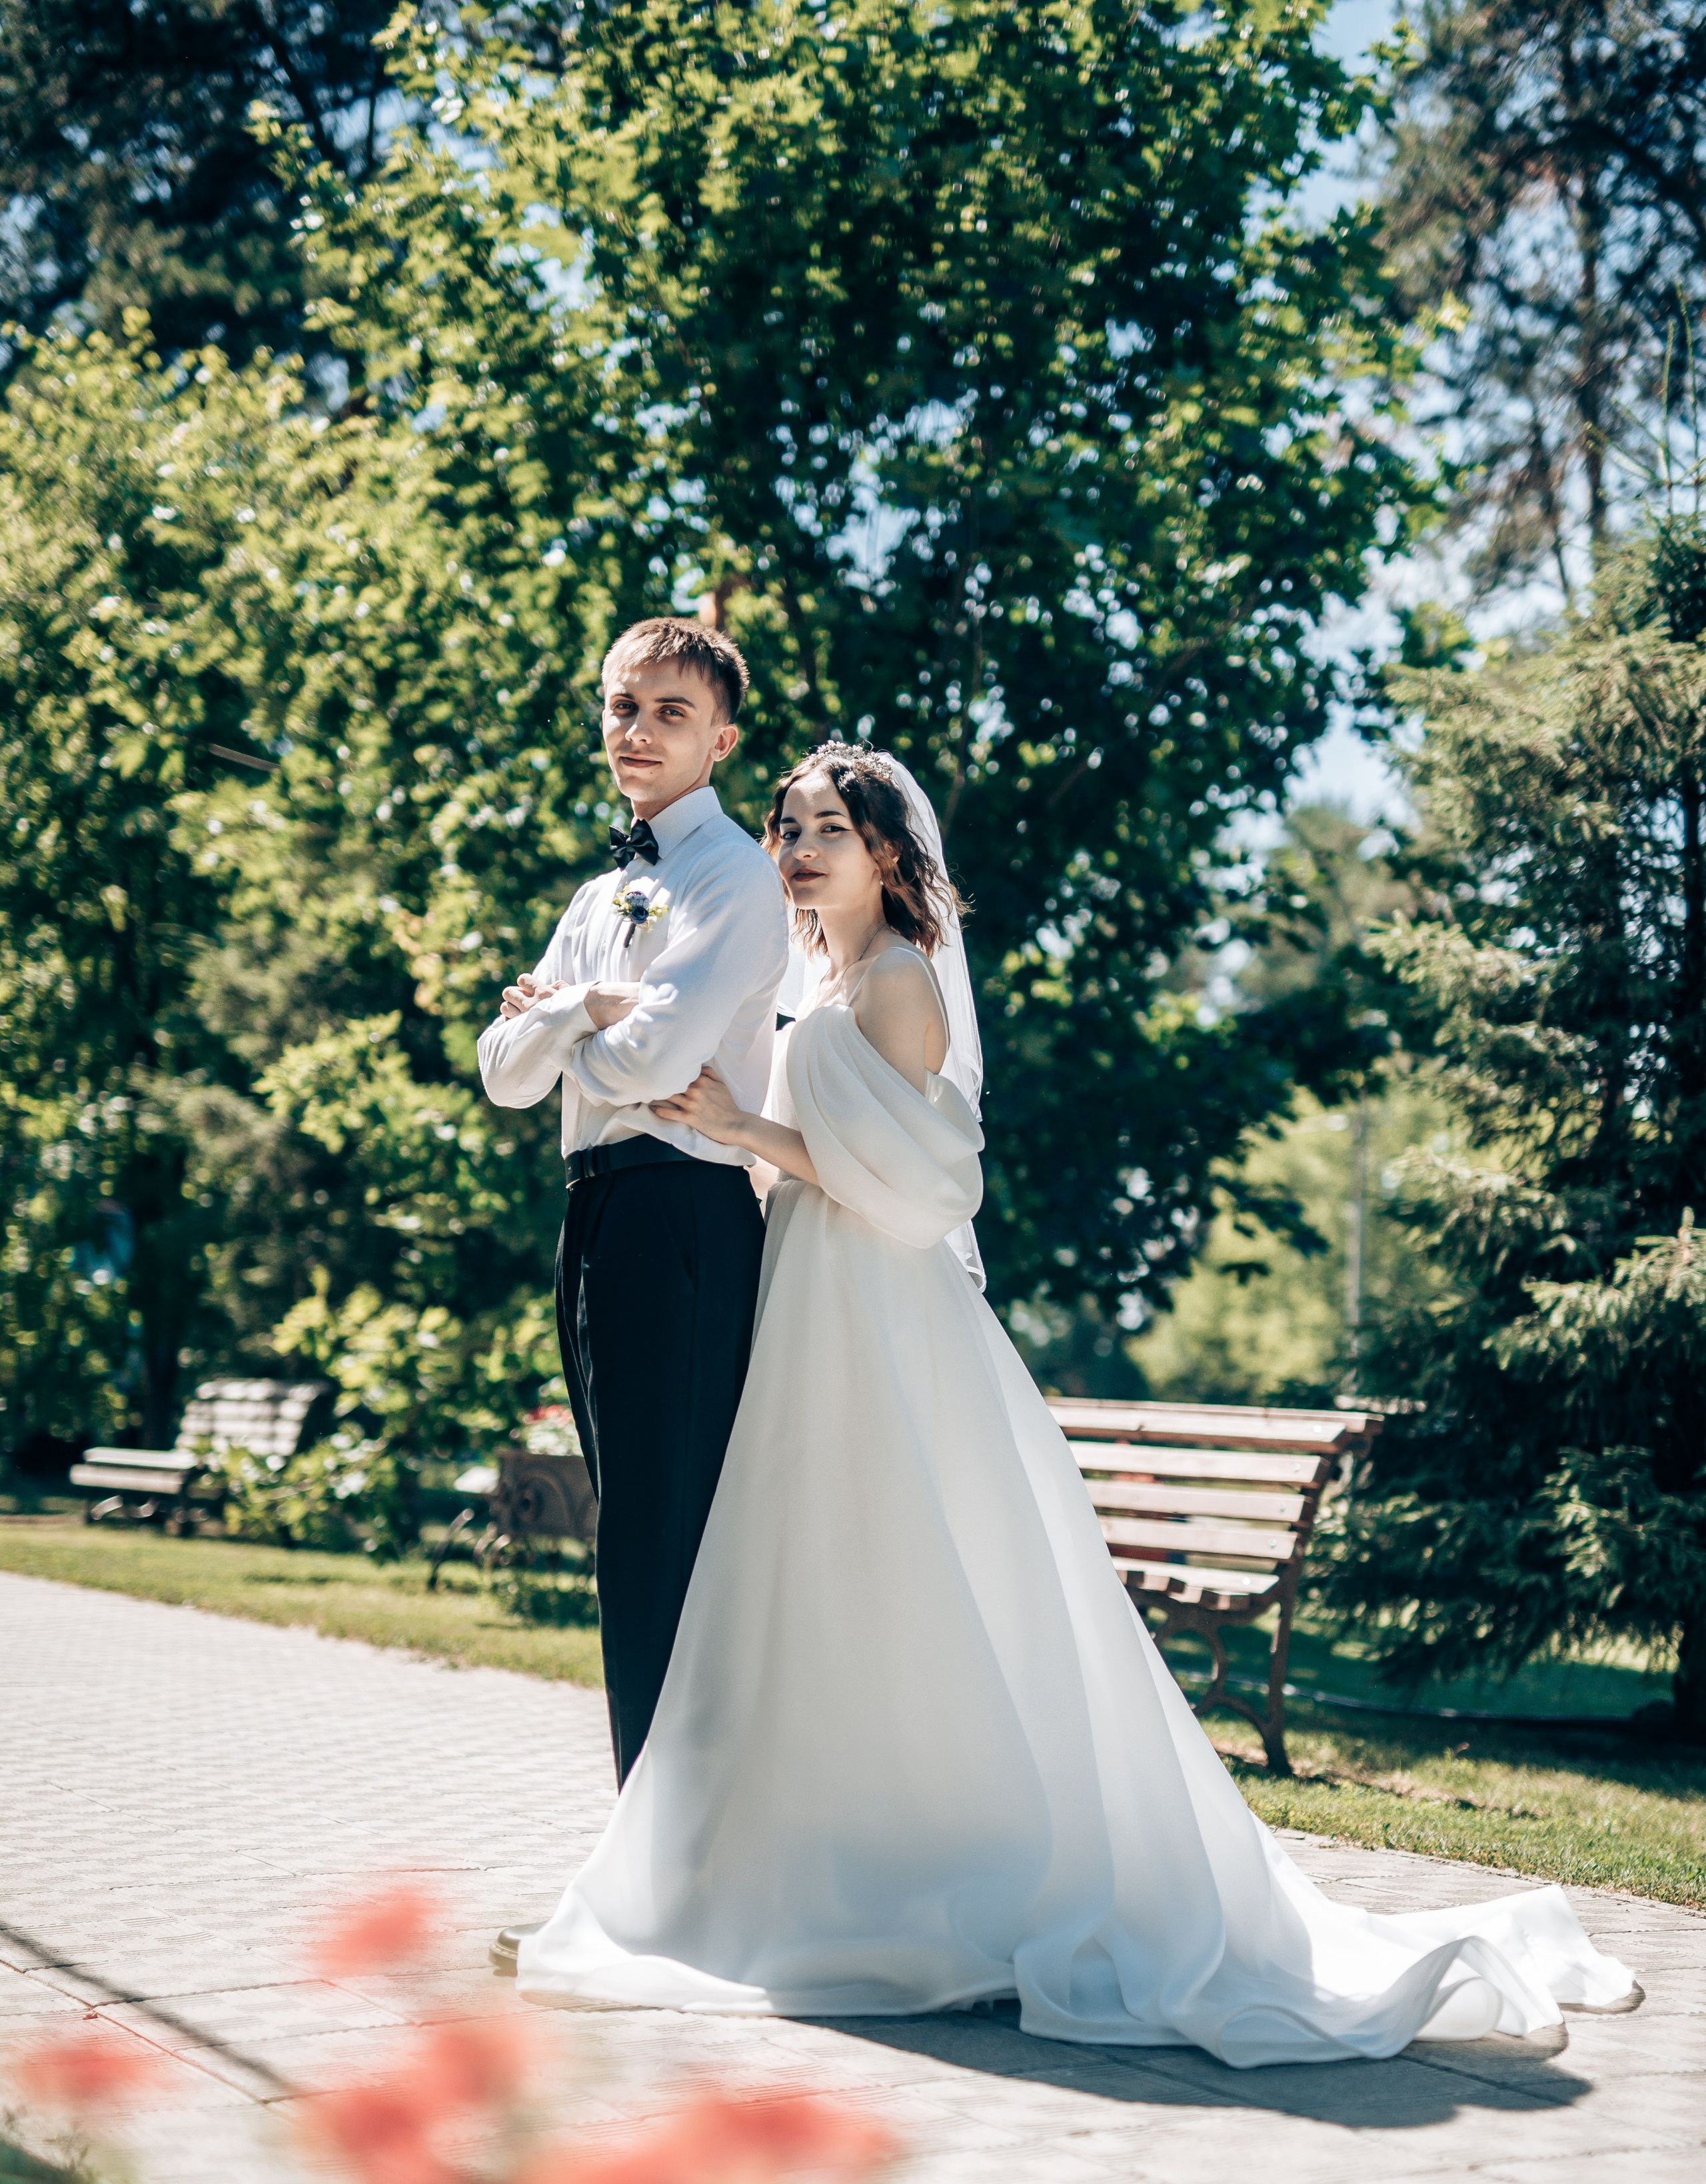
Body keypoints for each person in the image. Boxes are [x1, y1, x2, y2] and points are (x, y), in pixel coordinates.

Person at [514, 746, 1639, 2065]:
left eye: (830, 828)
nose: (801, 848)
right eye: (788, 827)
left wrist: (749, 1137)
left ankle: (957, 1874)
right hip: (808, 1295)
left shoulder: (898, 985)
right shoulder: (812, 977)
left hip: (882, 1310)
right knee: (820, 1576)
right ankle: (835, 1846)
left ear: (887, 854)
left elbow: (930, 1195)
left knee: (909, 1566)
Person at [476, 618, 788, 1825]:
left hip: (682, 1216)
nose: (639, 729)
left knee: (664, 1538)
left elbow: (660, 1054)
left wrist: (567, 1019)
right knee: (630, 1529)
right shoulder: (601, 892)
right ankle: (658, 1837)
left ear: (721, 736)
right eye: (622, 705)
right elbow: (504, 1072)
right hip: (596, 1217)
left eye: (669, 710)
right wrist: (580, 1012)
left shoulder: (737, 881)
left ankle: (665, 1850)